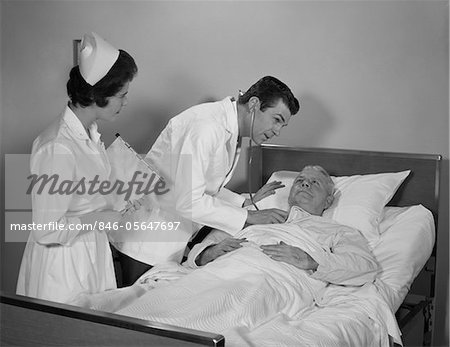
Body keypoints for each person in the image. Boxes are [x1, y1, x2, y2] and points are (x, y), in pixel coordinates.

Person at [115, 165, 379, 340]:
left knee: (230, 304)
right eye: (300, 180)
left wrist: (311, 260)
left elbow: (364, 267)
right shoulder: (257, 218)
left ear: (329, 201)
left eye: (315, 183)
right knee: (166, 301)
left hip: (274, 278)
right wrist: (209, 253)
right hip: (222, 269)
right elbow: (196, 254)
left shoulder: (337, 231)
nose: (304, 185)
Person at [113, 76, 300, 286]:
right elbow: (188, 201)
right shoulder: (206, 127)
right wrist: (247, 217)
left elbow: (203, 185)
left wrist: (243, 203)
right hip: (148, 239)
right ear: (254, 104)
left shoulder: (227, 128)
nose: (277, 131)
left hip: (172, 237)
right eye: (277, 120)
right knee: (134, 310)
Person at [16, 32, 138, 304]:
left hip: (88, 253)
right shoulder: (57, 147)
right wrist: (99, 219)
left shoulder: (89, 134)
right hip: (62, 264)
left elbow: (83, 197)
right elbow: (47, 230)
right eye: (122, 95)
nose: (126, 102)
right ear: (99, 95)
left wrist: (119, 204)